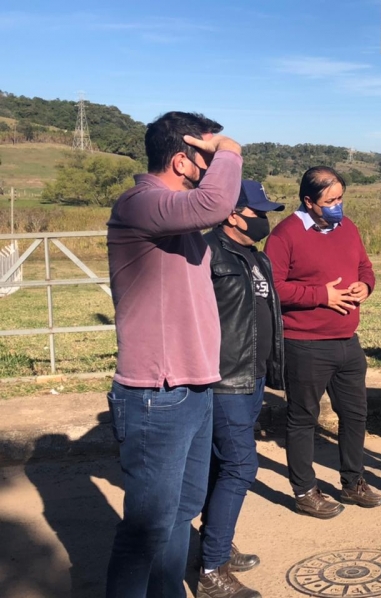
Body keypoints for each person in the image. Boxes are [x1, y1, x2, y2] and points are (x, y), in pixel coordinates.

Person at [105, 112, 242, 597]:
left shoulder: (176, 217)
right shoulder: (140, 204)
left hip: (194, 387)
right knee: (146, 529)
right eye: (206, 156)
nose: (213, 164)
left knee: (181, 514)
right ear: (182, 160)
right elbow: (216, 203)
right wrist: (231, 149)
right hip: (156, 393)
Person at [265, 166, 381, 519]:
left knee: (355, 415)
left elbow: (365, 267)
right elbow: (273, 287)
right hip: (305, 343)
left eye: (340, 198)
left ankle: (353, 482)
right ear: (308, 201)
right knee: (303, 418)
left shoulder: (348, 228)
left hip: (347, 340)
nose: (337, 206)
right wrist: (321, 295)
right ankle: (305, 491)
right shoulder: (285, 235)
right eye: (330, 201)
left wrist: (366, 285)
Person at [197, 180, 286, 598]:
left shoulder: (256, 256)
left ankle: (216, 543)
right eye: (258, 212)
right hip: (225, 378)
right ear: (232, 214)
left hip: (254, 376)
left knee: (222, 464)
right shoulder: (205, 252)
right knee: (240, 466)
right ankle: (211, 569)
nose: (264, 220)